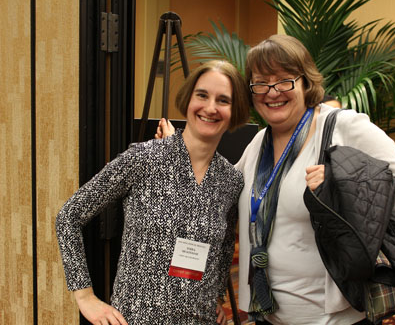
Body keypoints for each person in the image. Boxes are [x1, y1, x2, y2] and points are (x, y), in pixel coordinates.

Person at [157, 35, 395, 325]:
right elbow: (215, 197)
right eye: (261, 83)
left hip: (330, 319)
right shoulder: (259, 142)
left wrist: (343, 186)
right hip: (265, 315)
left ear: (305, 82)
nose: (272, 92)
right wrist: (183, 152)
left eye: (285, 80)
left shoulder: (343, 126)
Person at [56, 60, 250, 325]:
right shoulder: (144, 159)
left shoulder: (230, 179)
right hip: (136, 318)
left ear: (235, 110)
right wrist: (85, 297)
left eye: (223, 100)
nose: (210, 107)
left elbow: (224, 245)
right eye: (202, 95)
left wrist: (215, 296)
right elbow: (69, 216)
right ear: (188, 99)